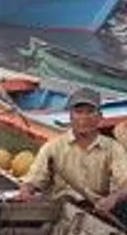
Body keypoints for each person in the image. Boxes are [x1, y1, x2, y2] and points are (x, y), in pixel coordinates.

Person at [17, 87, 127, 216]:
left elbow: (125, 182)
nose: (84, 118)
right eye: (78, 112)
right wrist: (26, 191)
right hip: (60, 211)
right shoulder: (53, 147)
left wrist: (112, 199)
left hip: (97, 212)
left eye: (90, 112)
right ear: (70, 116)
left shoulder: (113, 148)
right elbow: (34, 179)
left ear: (100, 117)